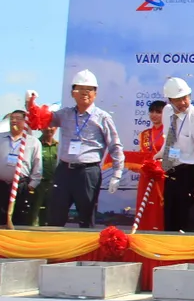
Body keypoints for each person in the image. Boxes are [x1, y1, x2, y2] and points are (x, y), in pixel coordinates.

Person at [27, 70, 124, 228]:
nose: (85, 93)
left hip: (87, 173)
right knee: (55, 216)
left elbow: (115, 146)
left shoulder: (102, 117)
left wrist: (117, 174)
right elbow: (41, 120)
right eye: (80, 89)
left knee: (86, 218)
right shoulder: (64, 114)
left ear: (95, 93)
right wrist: (30, 104)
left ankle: (86, 244)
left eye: (89, 89)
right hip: (64, 171)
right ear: (73, 93)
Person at [154, 77, 194, 232]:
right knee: (171, 221)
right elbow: (170, 138)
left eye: (185, 98)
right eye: (177, 100)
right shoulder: (167, 112)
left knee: (189, 224)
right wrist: (161, 155)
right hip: (171, 172)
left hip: (190, 174)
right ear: (169, 100)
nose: (182, 103)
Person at [0, 110, 42, 225]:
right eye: (12, 118)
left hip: (21, 186)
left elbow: (37, 165)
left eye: (18, 118)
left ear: (25, 121)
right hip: (2, 184)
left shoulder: (33, 142)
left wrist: (32, 185)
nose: (14, 121)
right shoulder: (1, 138)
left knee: (19, 218)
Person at [135, 100, 166, 231]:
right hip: (147, 174)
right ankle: (144, 229)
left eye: (158, 112)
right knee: (146, 202)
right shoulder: (144, 134)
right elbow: (141, 155)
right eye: (152, 111)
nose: (154, 115)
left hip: (164, 174)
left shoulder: (171, 132)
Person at [29, 124, 59, 226]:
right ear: (41, 128)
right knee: (34, 212)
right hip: (38, 184)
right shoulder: (35, 144)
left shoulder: (59, 146)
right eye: (46, 126)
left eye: (52, 126)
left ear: (56, 128)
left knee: (52, 211)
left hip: (53, 184)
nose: (49, 129)